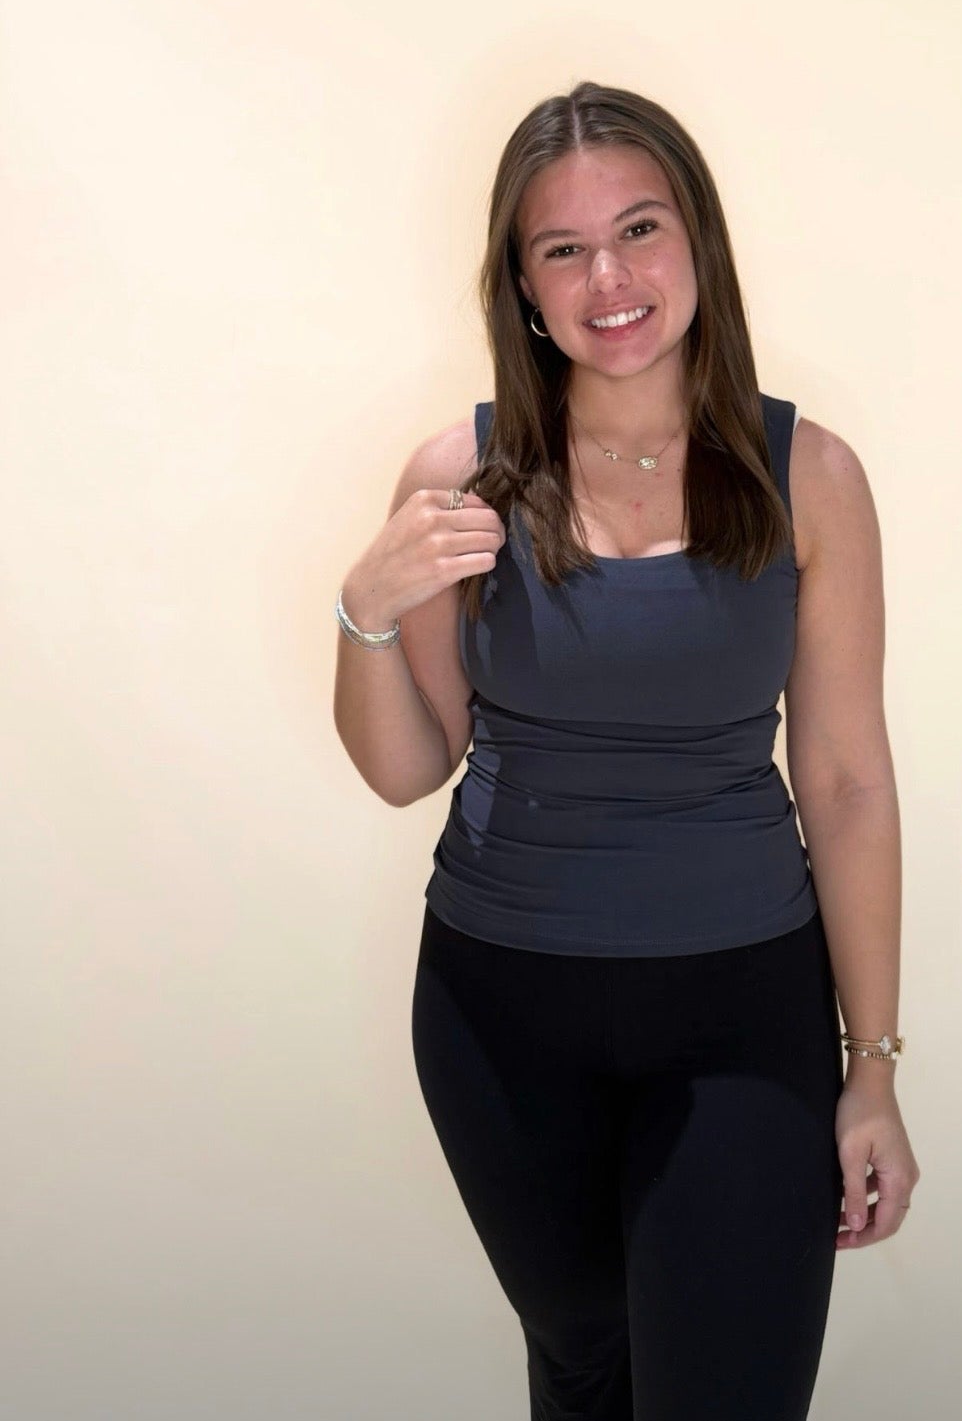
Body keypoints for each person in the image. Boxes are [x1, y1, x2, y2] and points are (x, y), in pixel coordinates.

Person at [333, 80, 919, 1420]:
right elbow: (410, 763)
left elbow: (844, 778)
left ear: (697, 242)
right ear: (521, 285)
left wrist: (871, 1062)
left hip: (740, 1011)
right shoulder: (461, 475)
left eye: (640, 228)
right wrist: (362, 610)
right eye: (562, 248)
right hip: (498, 1013)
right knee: (586, 1365)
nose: (610, 277)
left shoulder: (802, 472)